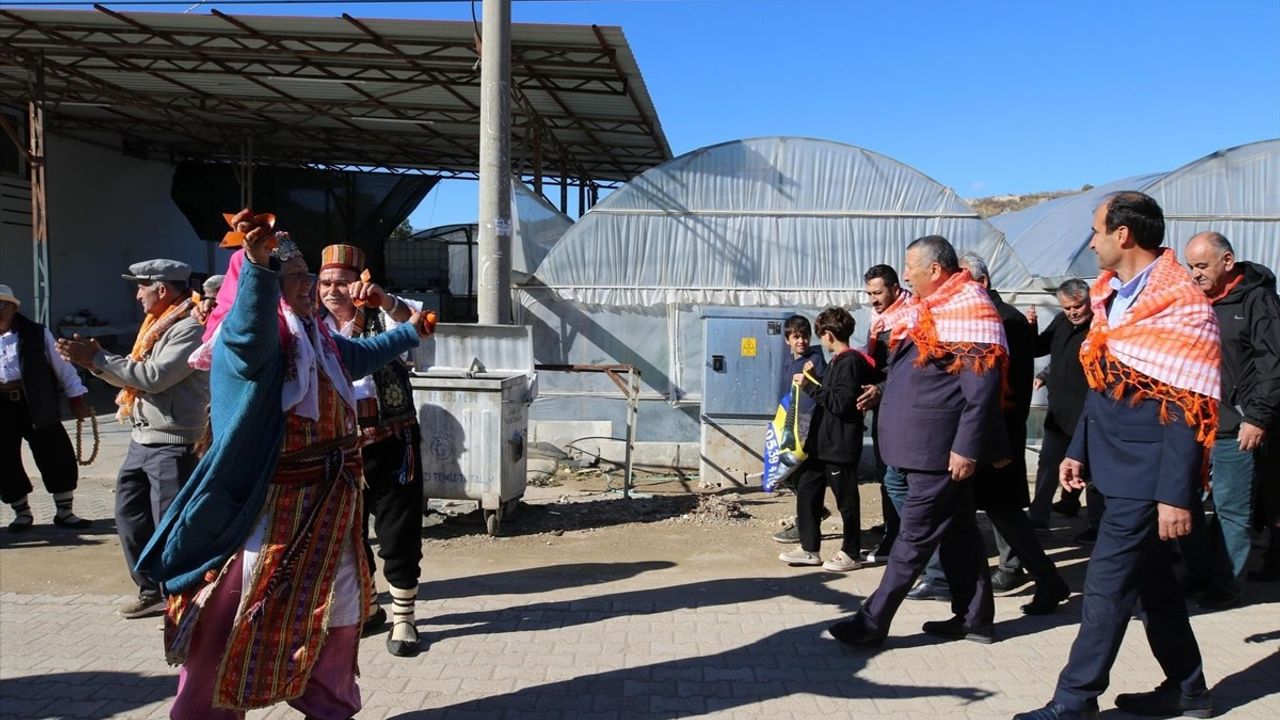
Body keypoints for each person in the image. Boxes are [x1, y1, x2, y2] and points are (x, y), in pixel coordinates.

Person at [135, 212, 433, 718]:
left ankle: (328, 707)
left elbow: (356, 356)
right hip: (266, 513)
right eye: (295, 277)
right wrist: (256, 264)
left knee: (334, 618)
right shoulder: (249, 345)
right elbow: (250, 328)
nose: (309, 286)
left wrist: (410, 332)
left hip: (329, 506)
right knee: (233, 620)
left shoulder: (314, 336)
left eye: (306, 275)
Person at [1015, 192, 1220, 720]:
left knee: (1104, 587)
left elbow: (1187, 406)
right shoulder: (1111, 295)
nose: (1091, 241)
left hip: (1149, 473)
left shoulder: (1182, 304)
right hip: (1111, 464)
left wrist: (1176, 495)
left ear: (1123, 235)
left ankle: (1075, 698)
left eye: (1097, 230)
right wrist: (1078, 450)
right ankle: (1190, 690)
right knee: (1153, 586)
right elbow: (1103, 387)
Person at [828, 235, 1008, 648]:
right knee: (960, 533)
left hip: (941, 452)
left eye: (910, 267)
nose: (904, 274)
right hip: (926, 450)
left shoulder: (970, 310)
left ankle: (872, 622)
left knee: (912, 539)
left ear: (934, 270)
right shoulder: (933, 311)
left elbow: (980, 392)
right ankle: (976, 618)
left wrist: (967, 448)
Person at [58, 260, 208, 620]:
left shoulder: (190, 326)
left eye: (141, 286)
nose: (136, 294)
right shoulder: (156, 325)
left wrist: (97, 358)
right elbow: (135, 371)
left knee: (172, 524)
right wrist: (98, 363)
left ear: (161, 289)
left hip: (173, 439)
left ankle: (182, 598)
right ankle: (151, 590)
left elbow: (154, 377)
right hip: (144, 437)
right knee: (130, 517)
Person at [318, 243, 426, 657]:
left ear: (360, 282)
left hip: (392, 443)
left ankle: (405, 619)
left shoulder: (384, 314)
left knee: (398, 533)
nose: (332, 290)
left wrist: (386, 299)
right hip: (339, 446)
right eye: (325, 282)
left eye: (342, 282)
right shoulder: (313, 326)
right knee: (348, 532)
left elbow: (418, 321)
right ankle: (369, 607)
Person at [959, 253, 1071, 614]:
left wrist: (994, 442)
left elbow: (1007, 389)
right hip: (988, 434)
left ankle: (1038, 579)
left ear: (983, 283)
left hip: (997, 437)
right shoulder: (988, 318)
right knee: (998, 511)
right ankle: (1039, 579)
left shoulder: (1005, 322)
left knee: (1001, 510)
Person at [1180, 232, 1280, 609]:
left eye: (1202, 265)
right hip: (1195, 424)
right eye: (1191, 266)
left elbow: (1274, 363)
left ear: (1227, 260)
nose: (1195, 274)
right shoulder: (1196, 303)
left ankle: (1227, 585)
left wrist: (1256, 417)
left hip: (1236, 425)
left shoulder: (1257, 301)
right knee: (1183, 500)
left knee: (1230, 508)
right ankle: (1200, 571)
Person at [776, 307, 878, 572]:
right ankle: (809, 548)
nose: (817, 340)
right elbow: (831, 391)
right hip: (821, 445)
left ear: (829, 334)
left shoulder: (850, 362)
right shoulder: (836, 362)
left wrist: (810, 384)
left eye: (820, 334)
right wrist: (815, 379)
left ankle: (851, 552)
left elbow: (841, 402)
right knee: (807, 489)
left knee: (846, 501)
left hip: (839, 445)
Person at [0, 284, 94, 532]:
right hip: (1, 408)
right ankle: (22, 513)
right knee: (4, 460)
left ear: (13, 308)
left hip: (37, 403)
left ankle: (65, 512)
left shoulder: (36, 334)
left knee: (55, 455)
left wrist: (77, 401)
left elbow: (64, 369)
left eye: (1, 306)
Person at [1025, 279, 1102, 544]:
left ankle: (1096, 523)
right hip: (1058, 413)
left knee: (1092, 471)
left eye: (1077, 306)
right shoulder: (1060, 322)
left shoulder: (1100, 328)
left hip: (1088, 413)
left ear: (1089, 301)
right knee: (1048, 466)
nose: (1073, 312)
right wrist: (1031, 327)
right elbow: (1041, 349)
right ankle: (1038, 517)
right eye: (1068, 307)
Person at [856, 265, 911, 565]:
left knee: (897, 476)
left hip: (902, 407)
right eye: (869, 294)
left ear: (894, 288)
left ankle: (903, 537)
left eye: (877, 293)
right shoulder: (879, 319)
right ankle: (894, 529)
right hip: (883, 405)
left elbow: (908, 370)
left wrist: (880, 387)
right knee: (885, 474)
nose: (873, 300)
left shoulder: (911, 316)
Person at [771, 315, 828, 543]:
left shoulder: (814, 360)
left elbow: (823, 390)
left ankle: (807, 521)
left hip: (809, 428)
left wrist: (813, 376)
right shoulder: (790, 362)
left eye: (804, 336)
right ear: (788, 340)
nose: (801, 341)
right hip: (792, 425)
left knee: (802, 476)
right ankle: (814, 513)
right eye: (796, 337)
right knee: (787, 474)